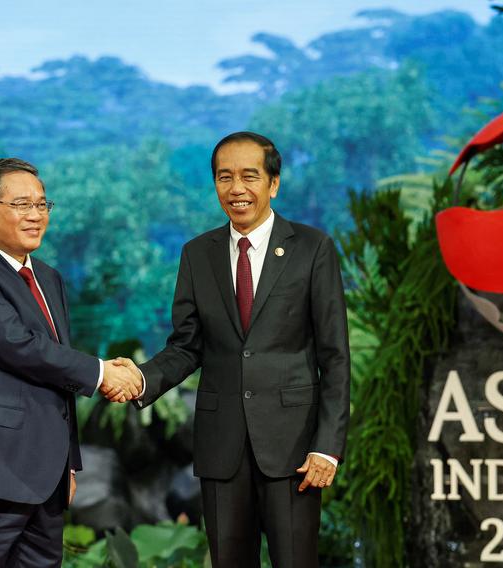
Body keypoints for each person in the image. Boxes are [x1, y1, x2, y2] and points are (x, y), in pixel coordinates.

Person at [119, 132, 350, 567]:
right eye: (225, 177)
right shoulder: (196, 254)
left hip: (294, 449)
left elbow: (335, 355)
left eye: (249, 176)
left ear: (273, 184)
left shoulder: (313, 248)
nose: (236, 189)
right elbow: (187, 346)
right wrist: (142, 379)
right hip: (221, 447)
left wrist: (327, 446)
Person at [0, 158, 141, 567]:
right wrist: (101, 373)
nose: (35, 215)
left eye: (42, 205)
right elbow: (20, 347)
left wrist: (69, 466)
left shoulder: (49, 277)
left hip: (46, 481)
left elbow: (55, 375)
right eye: (22, 204)